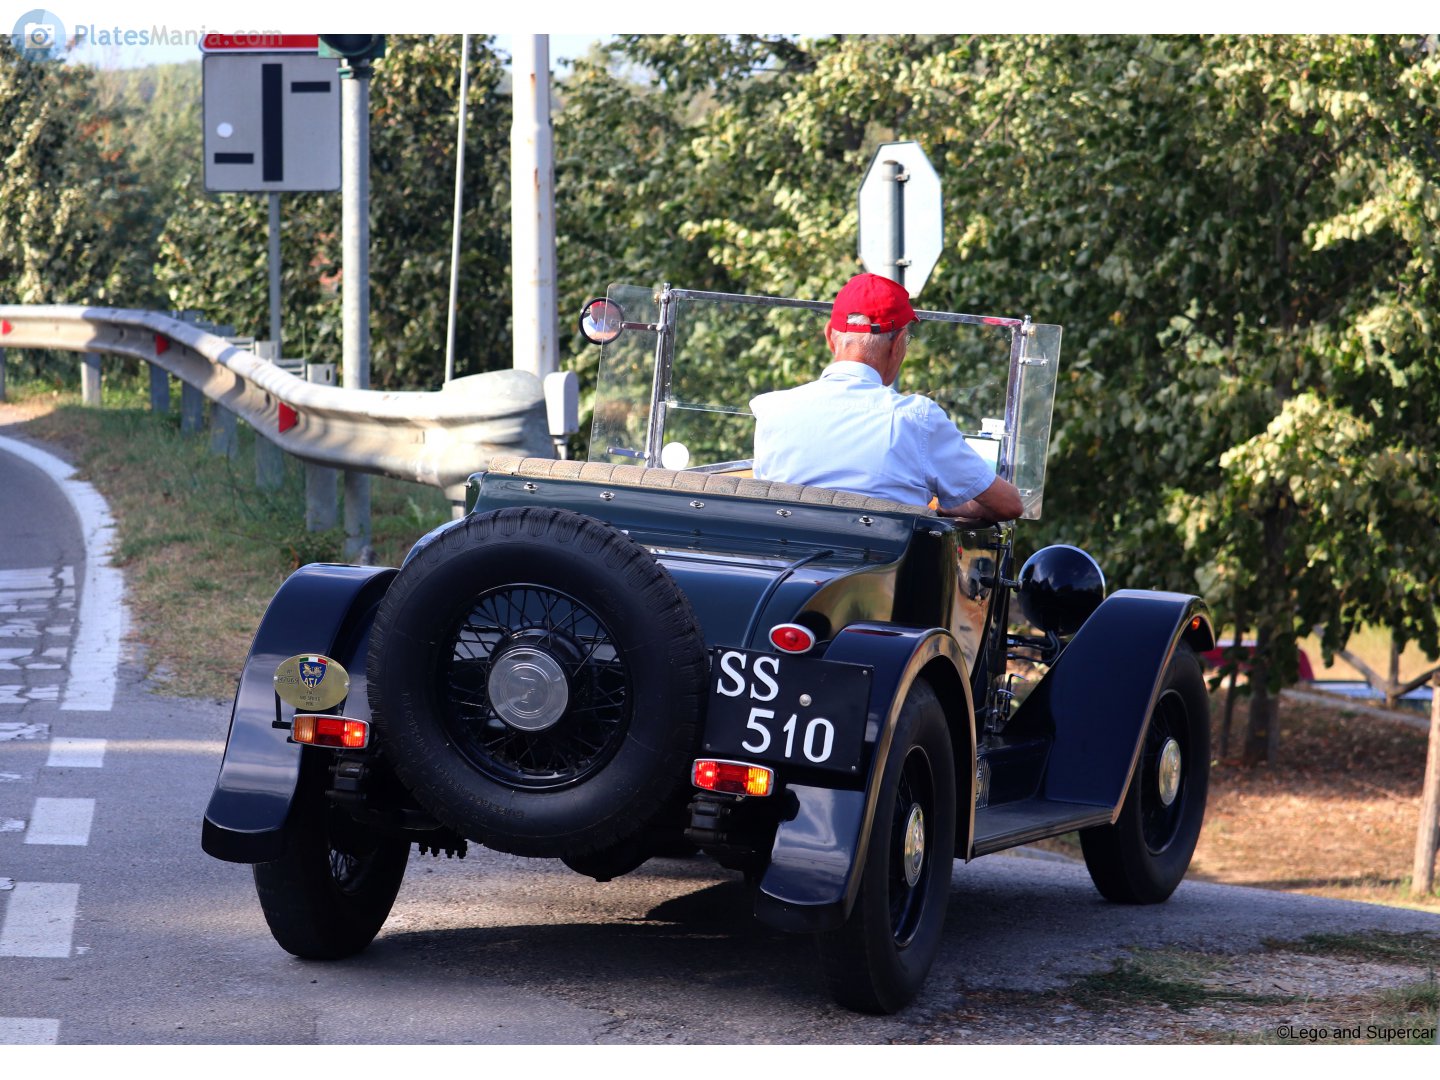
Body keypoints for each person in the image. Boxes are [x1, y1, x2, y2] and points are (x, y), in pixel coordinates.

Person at [749, 273, 1024, 522]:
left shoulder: (772, 410)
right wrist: (948, 507)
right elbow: (1009, 504)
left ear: (829, 338)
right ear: (897, 344)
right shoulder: (917, 419)